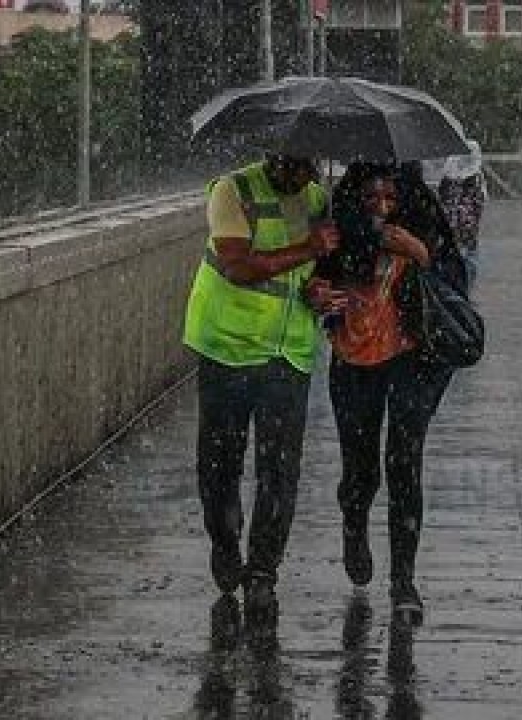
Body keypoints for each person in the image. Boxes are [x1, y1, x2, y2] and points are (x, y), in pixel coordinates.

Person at [183, 153, 346, 619]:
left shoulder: (316, 198)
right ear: (276, 159)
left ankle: (262, 572)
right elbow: (237, 266)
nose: (302, 178)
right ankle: (225, 541)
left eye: (309, 170)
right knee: (219, 465)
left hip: (288, 352)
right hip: (228, 347)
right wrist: (309, 249)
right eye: (295, 168)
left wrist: (318, 289)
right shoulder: (232, 191)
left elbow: (314, 276)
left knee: (280, 471)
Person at [313, 162, 462, 625]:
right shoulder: (339, 233)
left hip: (411, 361)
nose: (381, 208)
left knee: (404, 466)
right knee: (361, 470)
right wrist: (319, 295)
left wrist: (419, 252)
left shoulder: (423, 223)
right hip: (354, 363)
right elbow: (314, 277)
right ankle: (354, 523)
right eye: (371, 199)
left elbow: (455, 284)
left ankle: (404, 582)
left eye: (390, 199)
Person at [438, 140, 489, 285]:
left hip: (450, 224)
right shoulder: (476, 178)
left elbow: (442, 197)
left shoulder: (448, 177)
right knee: (469, 255)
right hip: (468, 226)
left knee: (454, 254)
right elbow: (480, 200)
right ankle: (465, 285)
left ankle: (456, 284)